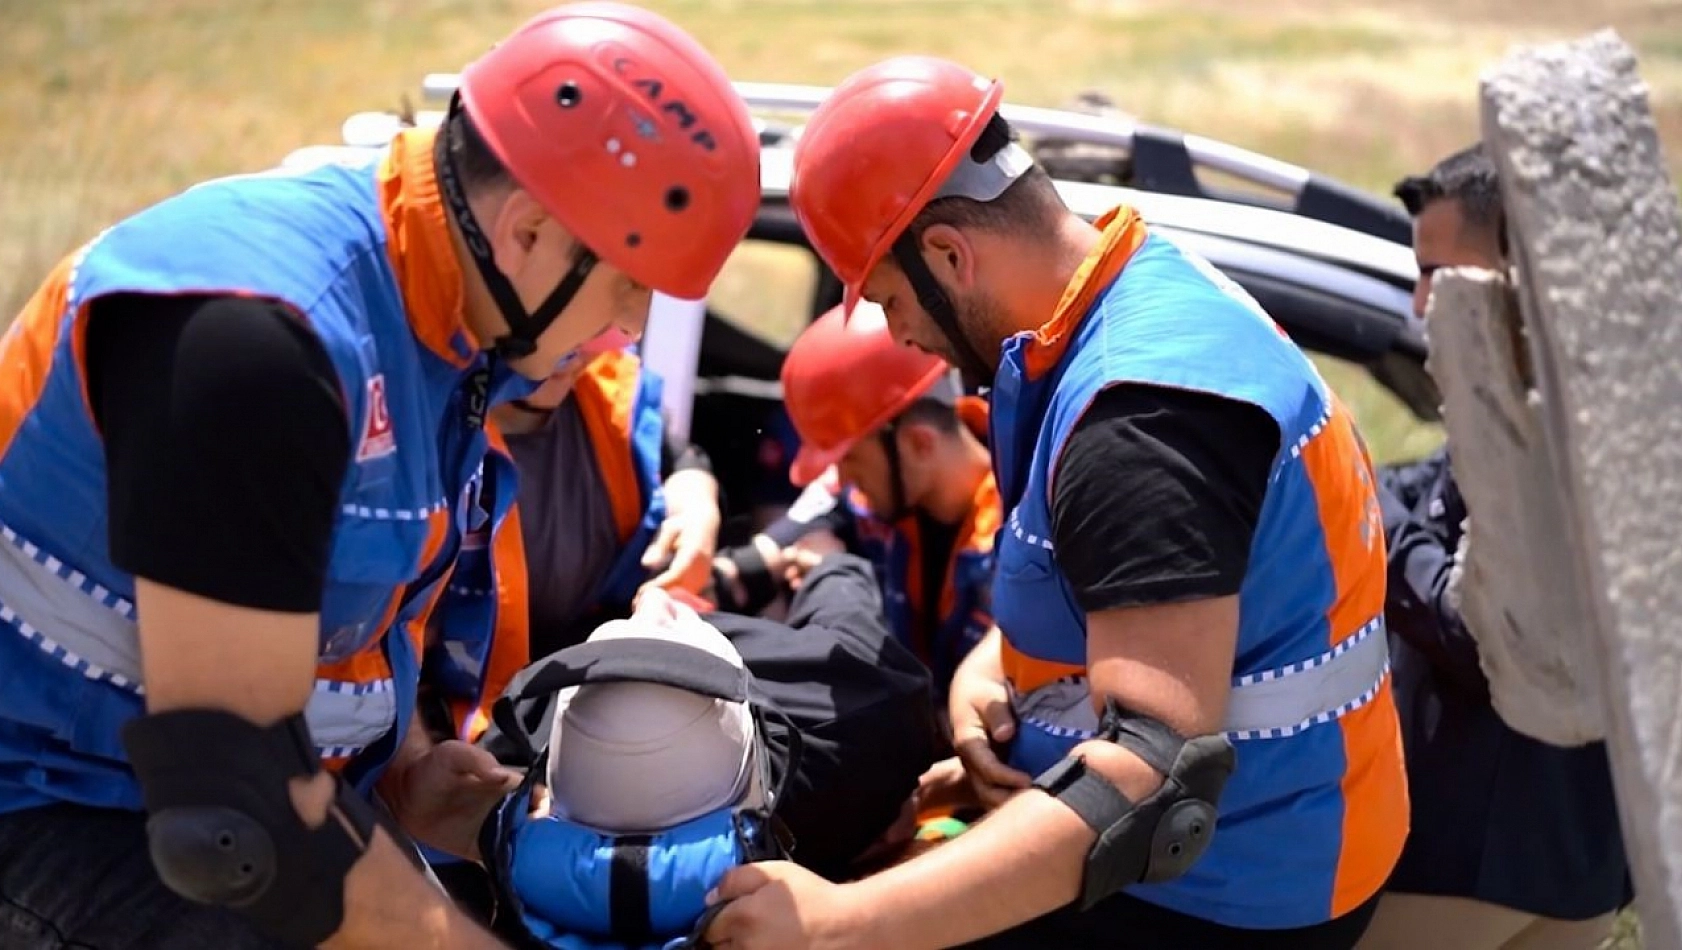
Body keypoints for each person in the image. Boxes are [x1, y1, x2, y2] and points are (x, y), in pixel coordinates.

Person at [0, 4, 761, 948]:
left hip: (210, 809)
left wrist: (405, 765)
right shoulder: (259, 338)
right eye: (630, 286)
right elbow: (230, 812)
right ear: (528, 233)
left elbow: (342, 614)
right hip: (53, 814)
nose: (633, 330)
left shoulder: (451, 326)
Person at [703, 54, 1409, 950]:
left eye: (886, 301)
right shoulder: (1126, 297)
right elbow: (1144, 596)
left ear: (949, 254)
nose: (899, 336)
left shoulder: (1137, 420)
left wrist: (844, 921)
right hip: (1252, 854)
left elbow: (1152, 774)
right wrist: (992, 675)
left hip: (1218, 898)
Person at [1355, 144, 1631, 950]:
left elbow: (1485, 637)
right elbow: (1435, 495)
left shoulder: (1562, 437)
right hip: (1563, 857)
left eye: (1440, 275)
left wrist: (1361, 505)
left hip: (1482, 857)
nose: (1418, 304)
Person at [474, 558, 943, 947]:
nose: (651, 601)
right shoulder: (861, 733)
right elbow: (855, 622)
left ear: (547, 802)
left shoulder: (492, 806)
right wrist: (827, 566)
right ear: (763, 785)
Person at [757, 301, 1000, 706]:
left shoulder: (1029, 531)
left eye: (850, 458)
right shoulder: (879, 492)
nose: (844, 477)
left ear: (919, 443)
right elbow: (785, 535)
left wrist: (843, 586)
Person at [488, 328, 723, 659]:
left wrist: (697, 506)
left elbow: (681, 457)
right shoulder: (423, 422)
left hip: (608, 660)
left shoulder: (608, 386)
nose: (575, 352)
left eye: (600, 331)